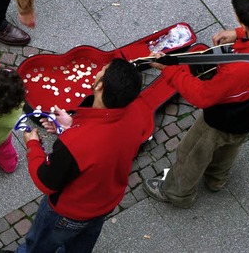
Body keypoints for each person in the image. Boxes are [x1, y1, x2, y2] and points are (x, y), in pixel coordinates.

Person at [142, 0, 249, 209]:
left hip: (226, 118)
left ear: (241, 19)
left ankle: (177, 192)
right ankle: (217, 179)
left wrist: (168, 70)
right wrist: (239, 34)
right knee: (232, 144)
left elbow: (202, 97)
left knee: (192, 152)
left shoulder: (236, 71)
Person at [16, 58, 153, 252]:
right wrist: (72, 125)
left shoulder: (74, 145)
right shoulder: (136, 113)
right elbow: (104, 141)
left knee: (38, 246)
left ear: (100, 86)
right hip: (103, 204)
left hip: (66, 214)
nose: (97, 72)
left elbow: (45, 181)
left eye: (102, 71)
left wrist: (33, 145)